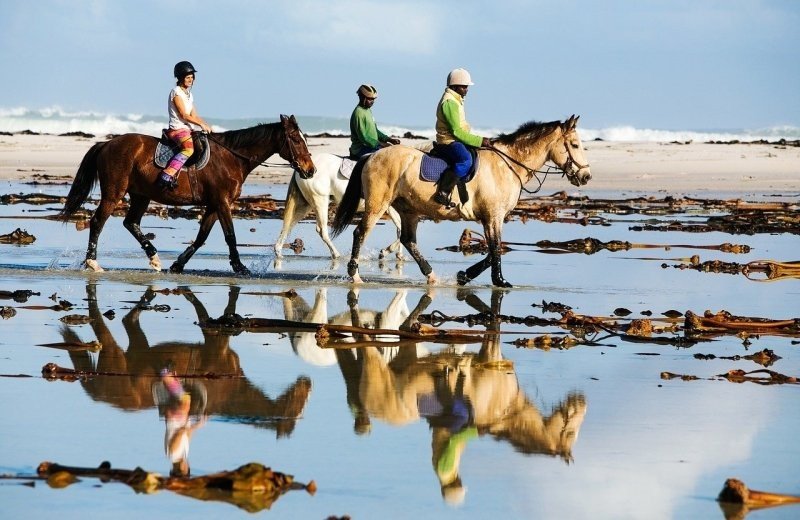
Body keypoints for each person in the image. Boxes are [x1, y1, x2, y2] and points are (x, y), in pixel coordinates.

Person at [433, 68, 491, 208]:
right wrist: (479, 140)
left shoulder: (456, 99)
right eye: (464, 86)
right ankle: (443, 192)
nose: (466, 89)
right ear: (454, 86)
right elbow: (456, 131)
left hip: (455, 139)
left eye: (467, 87)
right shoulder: (450, 102)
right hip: (448, 141)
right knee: (465, 159)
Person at [156, 60, 213, 190]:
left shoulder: (189, 95)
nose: (190, 80)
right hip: (177, 129)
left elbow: (194, 115)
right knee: (188, 149)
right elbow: (184, 115)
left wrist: (206, 125)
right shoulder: (176, 92)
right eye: (188, 77)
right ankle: (166, 174)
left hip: (188, 129)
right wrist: (200, 124)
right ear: (181, 78)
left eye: (192, 77)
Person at [349, 84, 400, 159]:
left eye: (373, 99)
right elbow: (363, 138)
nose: (372, 101)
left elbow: (375, 131)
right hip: (360, 149)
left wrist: (389, 139)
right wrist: (381, 144)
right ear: (363, 98)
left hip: (371, 146)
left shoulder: (368, 110)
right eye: (370, 99)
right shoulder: (358, 113)